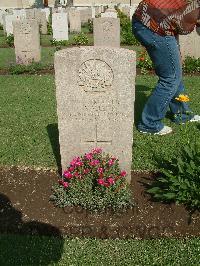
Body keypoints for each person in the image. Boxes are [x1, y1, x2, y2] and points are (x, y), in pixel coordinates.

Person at [132, 0, 200, 135]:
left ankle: (182, 114)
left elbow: (177, 16)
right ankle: (149, 124)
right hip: (154, 26)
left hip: (152, 22)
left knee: (175, 72)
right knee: (171, 77)